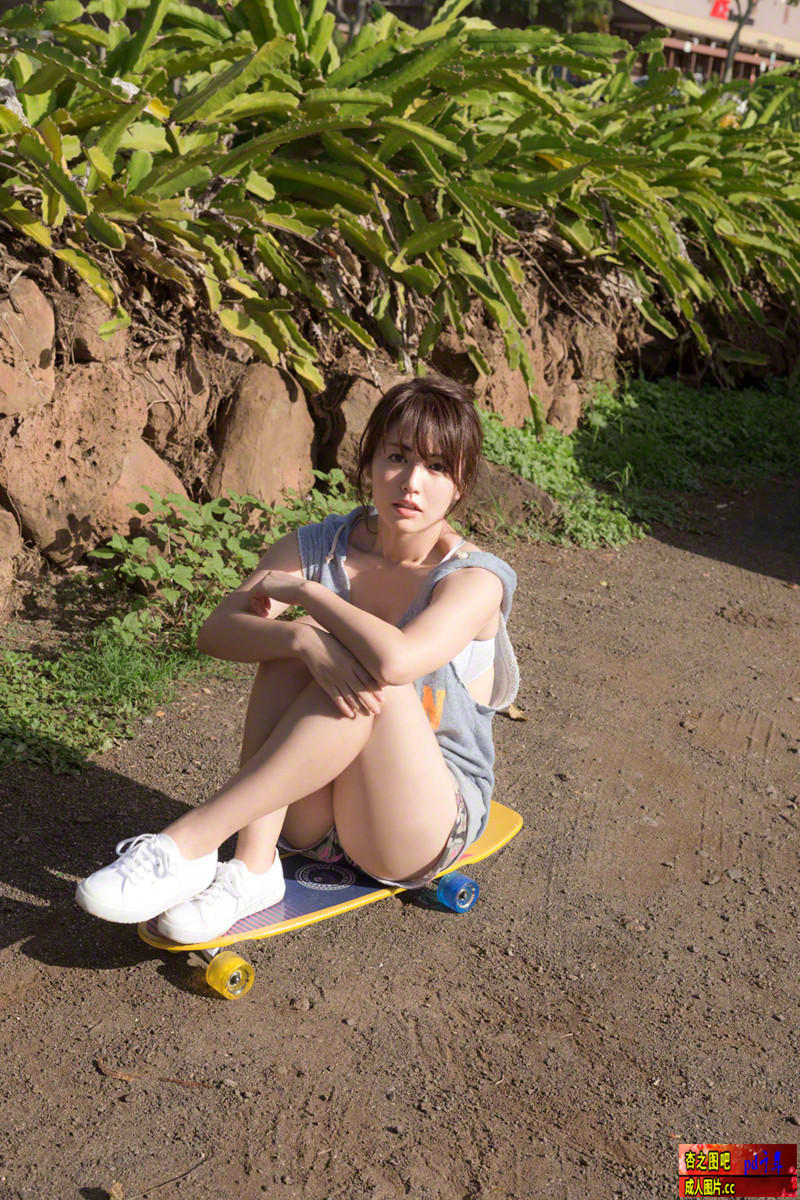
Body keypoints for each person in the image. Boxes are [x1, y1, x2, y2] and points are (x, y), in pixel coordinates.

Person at [76, 374, 520, 942]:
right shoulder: (323, 544)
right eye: (397, 457)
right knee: (300, 640)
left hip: (417, 824)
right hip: (309, 822)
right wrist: (303, 640)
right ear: (369, 462)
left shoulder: (476, 578)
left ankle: (188, 842)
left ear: (460, 485)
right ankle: (253, 870)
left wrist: (310, 595)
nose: (412, 482)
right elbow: (216, 632)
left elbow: (398, 663)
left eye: (437, 467)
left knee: (373, 668)